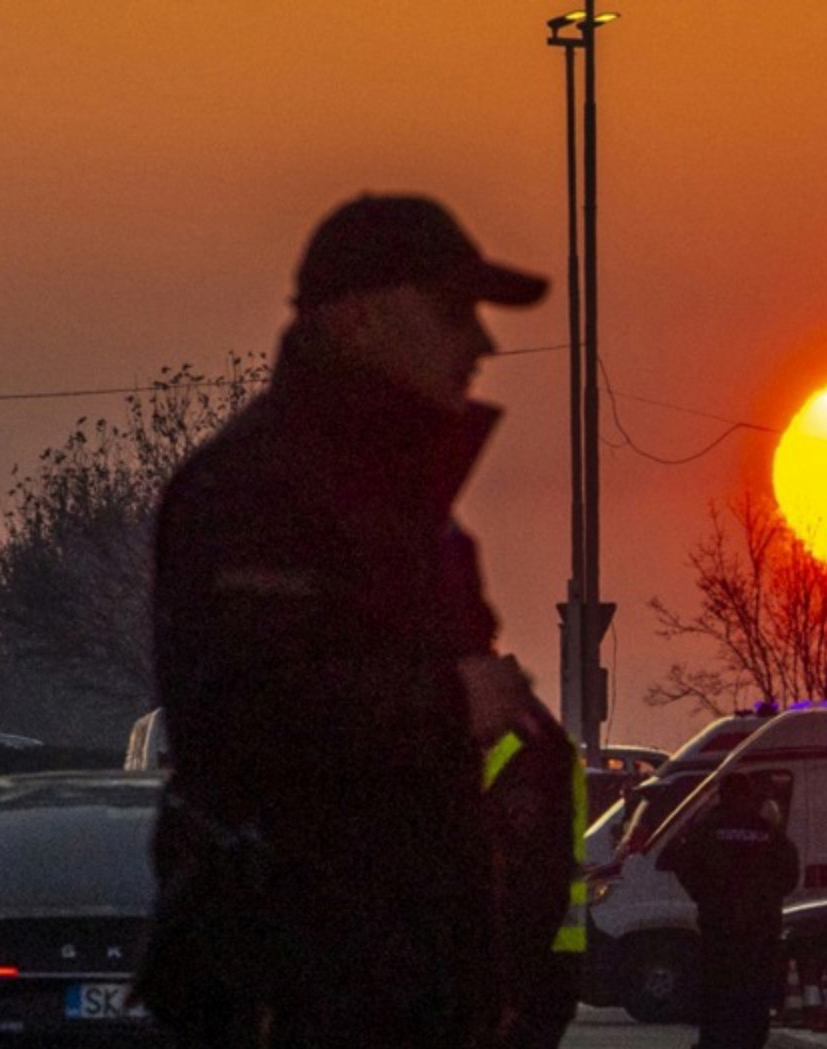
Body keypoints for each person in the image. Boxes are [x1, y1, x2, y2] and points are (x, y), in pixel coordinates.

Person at [134, 193, 547, 1049]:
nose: (480, 342)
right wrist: (451, 700)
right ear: (358, 321)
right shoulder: (254, 493)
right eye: (450, 310)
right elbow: (246, 712)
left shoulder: (405, 506)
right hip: (302, 994)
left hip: (407, 998)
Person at [474, 648, 588, 1049]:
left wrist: (511, 985)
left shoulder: (528, 754)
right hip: (546, 954)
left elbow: (534, 876)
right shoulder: (537, 744)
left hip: (533, 960)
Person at [662, 772, 800, 1049]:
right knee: (755, 993)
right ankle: (751, 1041)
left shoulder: (707, 830)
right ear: (749, 796)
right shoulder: (767, 832)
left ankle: (716, 1041)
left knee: (718, 990)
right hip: (760, 929)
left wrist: (705, 895)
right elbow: (790, 873)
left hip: (719, 927)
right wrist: (766, 898)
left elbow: (683, 863)